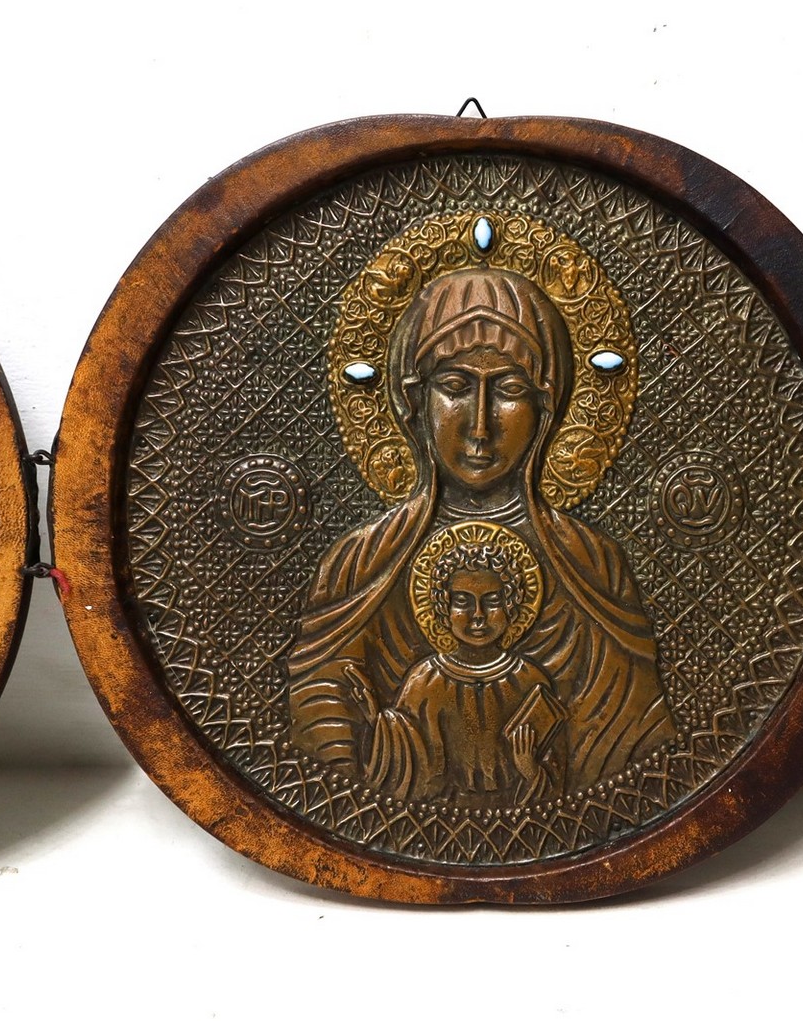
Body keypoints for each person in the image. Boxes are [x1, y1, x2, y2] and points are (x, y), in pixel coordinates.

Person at [287, 266, 675, 800]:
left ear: (547, 406)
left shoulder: (591, 564)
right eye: (454, 387)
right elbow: (319, 721)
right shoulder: (360, 563)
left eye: (511, 389)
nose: (480, 425)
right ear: (414, 401)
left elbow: (635, 745)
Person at [360, 532, 565, 807]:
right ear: (443, 608)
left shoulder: (530, 680)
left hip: (517, 818)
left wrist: (530, 770)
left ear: (511, 604)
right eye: (463, 601)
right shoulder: (424, 682)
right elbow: (410, 768)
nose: (478, 615)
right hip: (441, 817)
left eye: (492, 601)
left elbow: (560, 779)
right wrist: (378, 724)